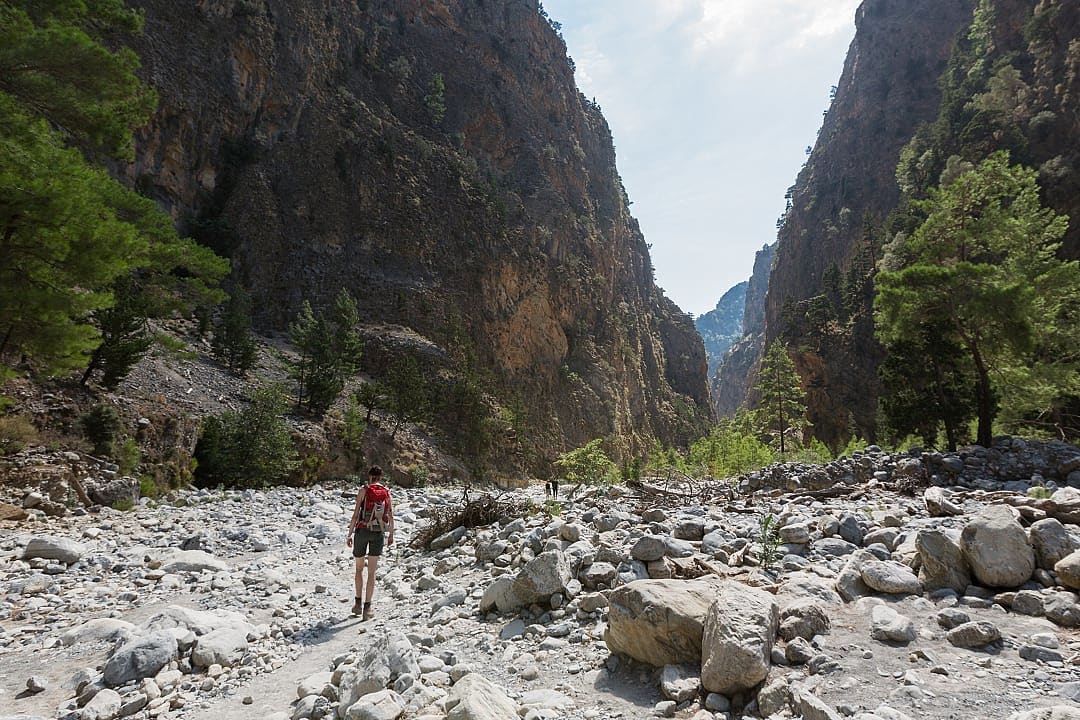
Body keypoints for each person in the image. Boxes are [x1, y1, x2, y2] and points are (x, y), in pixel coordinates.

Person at [346, 465, 394, 620]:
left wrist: (349, 534)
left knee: (359, 569)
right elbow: (391, 515)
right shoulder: (387, 491)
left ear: (369, 475)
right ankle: (368, 608)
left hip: (362, 531)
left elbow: (355, 514)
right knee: (372, 572)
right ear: (381, 476)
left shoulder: (363, 490)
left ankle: (357, 604)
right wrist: (391, 534)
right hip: (378, 532)